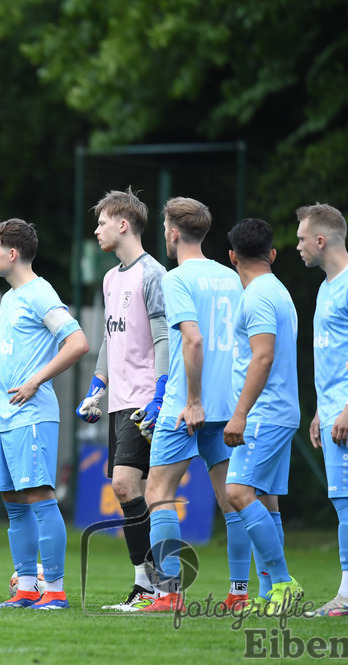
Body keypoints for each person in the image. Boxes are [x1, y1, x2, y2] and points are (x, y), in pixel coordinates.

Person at [0, 218, 89, 610]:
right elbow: (21, 350)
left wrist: (35, 381)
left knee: (40, 497)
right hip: (3, 418)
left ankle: (55, 591)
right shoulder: (12, 297)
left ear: (12, 254)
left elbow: (78, 342)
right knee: (14, 504)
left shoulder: (39, 292)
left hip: (31, 415)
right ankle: (27, 588)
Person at [139, 197, 250, 613]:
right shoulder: (230, 276)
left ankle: (169, 593)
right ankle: (239, 594)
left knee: (159, 492)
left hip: (189, 408)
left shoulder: (176, 277)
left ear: (171, 232)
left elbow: (194, 339)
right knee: (232, 500)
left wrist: (193, 400)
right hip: (228, 406)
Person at [76, 188, 167, 611]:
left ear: (124, 224)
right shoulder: (112, 278)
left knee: (126, 484)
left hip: (146, 400)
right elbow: (110, 340)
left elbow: (165, 337)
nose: (96, 229)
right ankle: (153, 586)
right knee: (141, 491)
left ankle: (151, 586)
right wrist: (97, 387)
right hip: (119, 401)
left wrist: (162, 392)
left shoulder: (154, 275)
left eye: (102, 222)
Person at [296, 203, 348, 617]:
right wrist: (320, 411)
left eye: (301, 238)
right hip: (335, 409)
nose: (297, 246)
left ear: (321, 240)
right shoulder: (329, 285)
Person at [221, 218, 303, 615]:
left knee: (237, 493)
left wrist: (240, 415)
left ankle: (284, 583)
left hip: (264, 414)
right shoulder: (279, 291)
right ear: (271, 254)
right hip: (280, 411)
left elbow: (263, 355)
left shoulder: (256, 296)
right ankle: (272, 593)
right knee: (265, 503)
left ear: (233, 256)